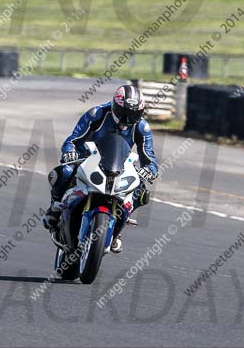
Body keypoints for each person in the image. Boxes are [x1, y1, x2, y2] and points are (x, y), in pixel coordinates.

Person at [43, 84, 159, 253]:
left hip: (118, 165)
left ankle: (118, 229)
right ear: (114, 106)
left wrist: (149, 171)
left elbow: (150, 159)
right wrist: (70, 153)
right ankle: (54, 209)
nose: (127, 119)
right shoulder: (96, 114)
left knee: (141, 192)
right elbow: (73, 140)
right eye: (124, 113)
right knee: (63, 172)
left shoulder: (142, 127)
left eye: (133, 114)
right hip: (87, 159)